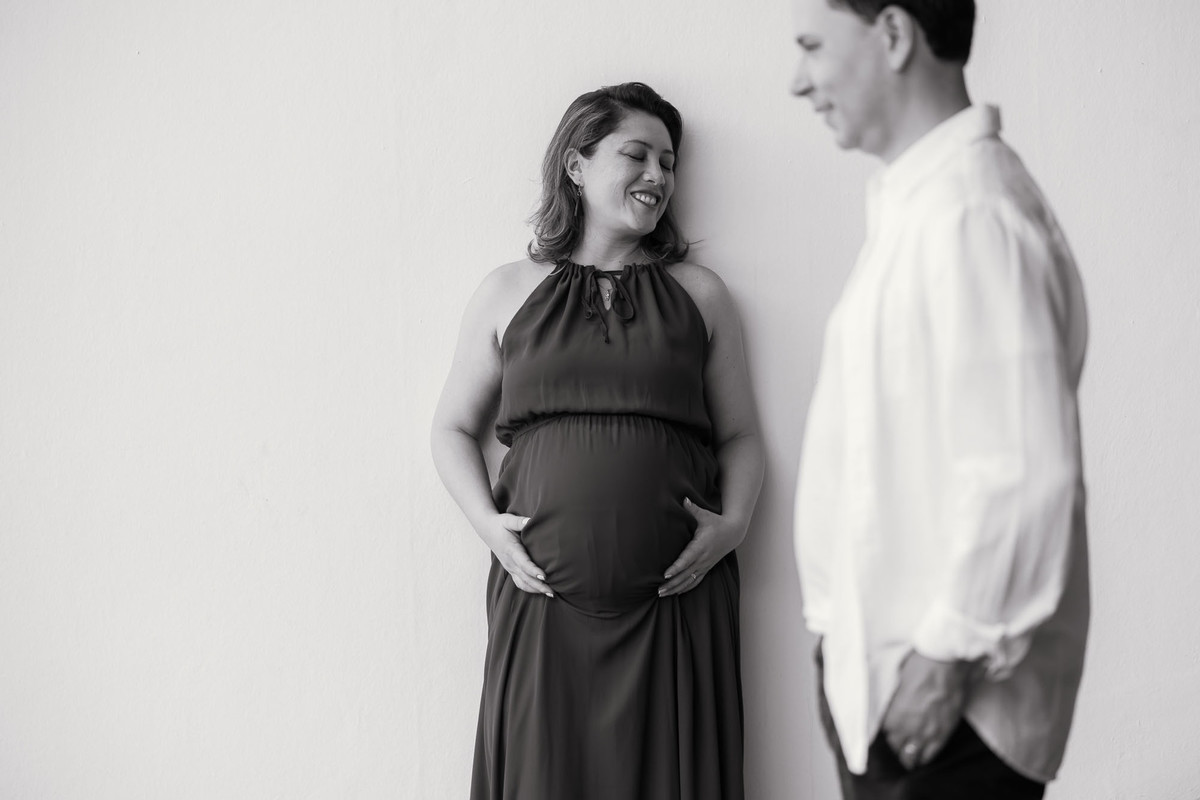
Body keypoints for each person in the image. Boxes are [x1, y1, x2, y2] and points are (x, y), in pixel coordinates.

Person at [789, 1, 1090, 798]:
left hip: (946, 706)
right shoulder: (921, 207)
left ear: (893, 35)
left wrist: (946, 660)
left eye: (812, 46)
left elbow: (1021, 469)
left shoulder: (971, 214)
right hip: (893, 691)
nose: (798, 82)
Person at [431, 82, 763, 800]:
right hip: (543, 604)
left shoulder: (702, 295)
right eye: (635, 155)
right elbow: (451, 428)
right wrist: (490, 529)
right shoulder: (507, 290)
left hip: (677, 605)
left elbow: (740, 435)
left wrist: (734, 524)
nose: (657, 176)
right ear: (576, 165)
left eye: (668, 162)